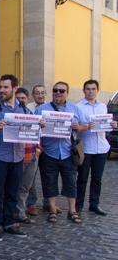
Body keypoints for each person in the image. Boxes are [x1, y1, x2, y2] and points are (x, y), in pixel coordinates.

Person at [35, 81, 87, 224]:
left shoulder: (75, 109)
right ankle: (52, 210)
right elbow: (33, 129)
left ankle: (72, 211)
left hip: (68, 152)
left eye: (61, 91)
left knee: (71, 182)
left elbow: (86, 126)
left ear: (67, 93)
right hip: (48, 152)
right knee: (49, 182)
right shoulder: (42, 109)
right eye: (55, 90)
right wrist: (39, 125)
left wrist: (79, 127)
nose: (58, 93)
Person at [0, 74, 28, 241]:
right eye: (0, 87)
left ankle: (9, 223)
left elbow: (33, 128)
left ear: (14, 89)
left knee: (12, 192)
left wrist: (40, 125)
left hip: (17, 156)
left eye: (5, 87)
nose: (2, 90)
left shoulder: (23, 109)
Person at [75, 79, 118, 215]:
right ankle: (78, 206)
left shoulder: (103, 106)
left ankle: (94, 204)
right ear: (84, 91)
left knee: (97, 179)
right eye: (88, 89)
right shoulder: (78, 107)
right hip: (86, 148)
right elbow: (75, 128)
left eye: (93, 89)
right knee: (82, 179)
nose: (91, 91)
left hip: (102, 148)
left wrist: (112, 125)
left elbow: (106, 127)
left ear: (97, 91)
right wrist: (86, 126)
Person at [13, 87, 38, 224]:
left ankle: (20, 213)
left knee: (25, 187)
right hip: (17, 155)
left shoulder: (30, 113)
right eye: (18, 98)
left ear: (27, 99)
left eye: (23, 98)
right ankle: (11, 213)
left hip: (32, 154)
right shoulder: (12, 114)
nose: (20, 100)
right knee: (13, 186)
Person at [26, 84, 47, 215]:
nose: (40, 95)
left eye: (42, 93)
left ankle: (48, 202)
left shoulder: (50, 108)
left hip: (48, 147)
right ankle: (31, 203)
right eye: (37, 93)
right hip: (33, 147)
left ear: (45, 94)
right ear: (33, 95)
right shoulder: (28, 108)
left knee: (47, 176)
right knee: (31, 177)